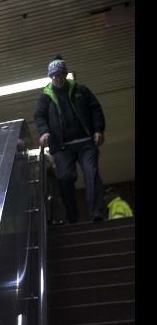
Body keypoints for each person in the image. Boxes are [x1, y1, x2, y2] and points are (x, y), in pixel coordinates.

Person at [34, 55, 106, 223]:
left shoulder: (81, 90)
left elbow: (96, 109)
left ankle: (96, 213)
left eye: (59, 75)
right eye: (53, 76)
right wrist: (44, 132)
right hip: (61, 147)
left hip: (86, 142)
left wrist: (98, 130)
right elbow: (39, 116)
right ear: (50, 77)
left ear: (65, 74)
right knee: (64, 179)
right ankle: (72, 217)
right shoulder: (45, 97)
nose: (56, 78)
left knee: (92, 174)